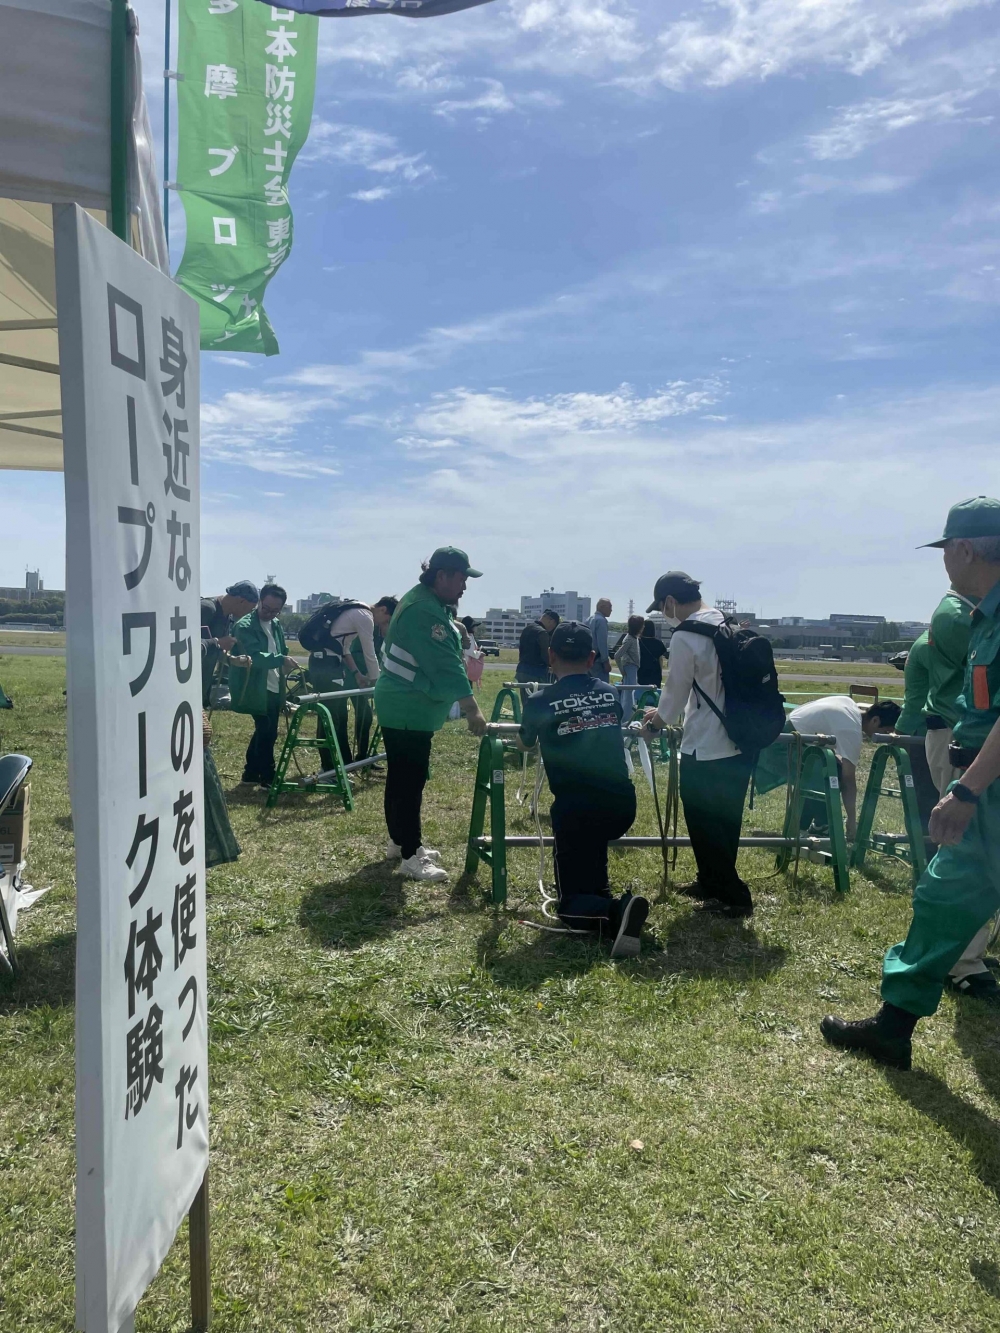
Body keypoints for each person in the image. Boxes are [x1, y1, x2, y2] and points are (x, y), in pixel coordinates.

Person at [822, 497, 1000, 1068]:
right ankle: (894, 1026)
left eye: (946, 549)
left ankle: (894, 1025)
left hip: (988, 787)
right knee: (943, 897)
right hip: (985, 782)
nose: (944, 561)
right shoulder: (982, 615)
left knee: (944, 895)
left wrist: (967, 789)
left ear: (965, 549)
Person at [517, 621, 649, 957]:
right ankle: (605, 898)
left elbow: (524, 742)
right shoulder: (608, 692)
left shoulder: (539, 700)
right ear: (592, 658)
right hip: (622, 804)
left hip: (576, 808)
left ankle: (618, 910)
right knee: (590, 847)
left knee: (570, 911)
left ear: (550, 656)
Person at [641, 571, 753, 918]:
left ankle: (734, 895)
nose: (665, 615)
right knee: (725, 821)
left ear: (671, 602)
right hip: (739, 740)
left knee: (703, 821)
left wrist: (655, 720)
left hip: (704, 744)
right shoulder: (725, 623)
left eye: (663, 609)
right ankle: (710, 881)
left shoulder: (687, 635)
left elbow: (674, 696)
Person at [374, 548, 488, 881]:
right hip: (408, 704)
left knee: (402, 777)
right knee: (409, 780)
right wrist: (472, 710)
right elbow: (446, 665)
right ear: (442, 576)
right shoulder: (425, 610)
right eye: (462, 578)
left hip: (405, 704)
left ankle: (401, 841)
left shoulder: (426, 602)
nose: (465, 586)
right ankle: (411, 854)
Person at [782, 694, 902, 839]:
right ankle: (797, 828)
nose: (885, 737)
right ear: (875, 720)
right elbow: (848, 780)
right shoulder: (851, 730)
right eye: (886, 731)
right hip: (784, 743)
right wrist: (851, 820)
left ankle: (821, 824)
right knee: (823, 775)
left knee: (832, 767)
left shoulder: (849, 704)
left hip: (786, 730)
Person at [230, 584, 297, 788]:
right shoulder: (245, 625)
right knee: (267, 731)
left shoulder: (275, 624)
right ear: (259, 601)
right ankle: (268, 777)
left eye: (275, 610)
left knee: (265, 730)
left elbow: (281, 648)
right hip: (255, 686)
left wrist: (283, 664)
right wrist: (281, 660)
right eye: (265, 608)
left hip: (274, 685)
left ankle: (250, 774)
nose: (269, 613)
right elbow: (254, 657)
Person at [889, 632, 950, 835]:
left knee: (925, 798)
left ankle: (925, 851)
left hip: (927, 732)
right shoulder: (937, 644)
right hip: (940, 732)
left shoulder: (926, 645)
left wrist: (901, 731)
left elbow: (914, 699)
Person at [200, 580, 259, 709]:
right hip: (187, 687)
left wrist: (232, 660)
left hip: (201, 689)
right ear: (242, 601)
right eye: (251, 608)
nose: (249, 614)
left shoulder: (226, 616)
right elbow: (187, 645)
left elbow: (214, 650)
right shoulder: (206, 609)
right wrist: (218, 642)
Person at [517, 610, 559, 688]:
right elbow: (545, 655)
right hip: (536, 673)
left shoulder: (527, 628)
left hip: (521, 670)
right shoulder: (542, 633)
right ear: (551, 621)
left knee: (525, 699)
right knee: (538, 698)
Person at [614, 614, 644, 717]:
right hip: (630, 667)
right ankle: (626, 719)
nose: (643, 627)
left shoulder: (633, 638)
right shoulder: (630, 639)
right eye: (642, 625)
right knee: (628, 695)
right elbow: (617, 655)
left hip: (632, 668)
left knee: (629, 694)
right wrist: (621, 669)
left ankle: (628, 716)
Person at [637, 619, 668, 690]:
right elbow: (660, 659)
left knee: (640, 695)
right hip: (655, 672)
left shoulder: (638, 642)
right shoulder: (659, 643)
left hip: (641, 671)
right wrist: (660, 672)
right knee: (654, 695)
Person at [586, 599, 613, 682]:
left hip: (587, 660)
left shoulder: (588, 619)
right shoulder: (601, 621)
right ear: (602, 607)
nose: (611, 610)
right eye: (610, 607)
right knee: (601, 687)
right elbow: (602, 643)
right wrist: (605, 661)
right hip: (598, 661)